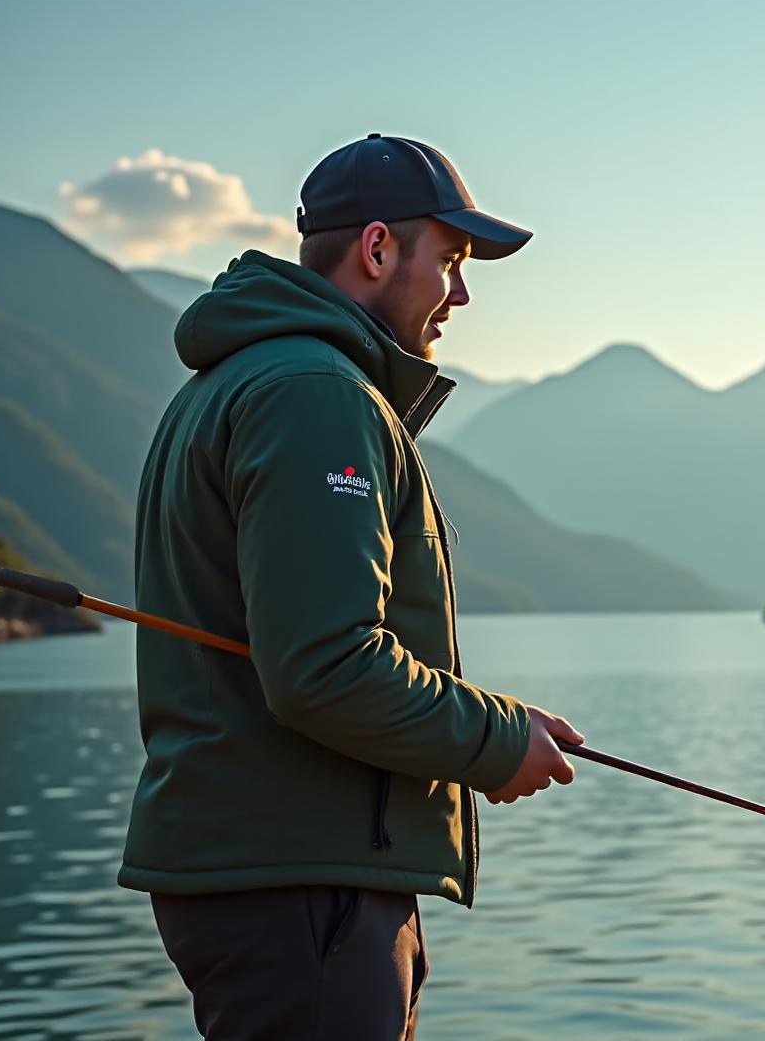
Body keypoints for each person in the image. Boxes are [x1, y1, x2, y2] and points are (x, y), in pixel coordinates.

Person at [122, 134, 583, 1039]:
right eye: (448, 260)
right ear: (377, 249)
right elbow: (326, 665)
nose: (460, 293)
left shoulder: (239, 382)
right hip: (301, 885)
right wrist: (496, 740)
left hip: (277, 874)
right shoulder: (315, 395)